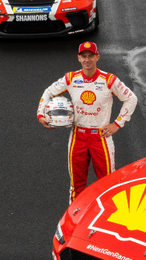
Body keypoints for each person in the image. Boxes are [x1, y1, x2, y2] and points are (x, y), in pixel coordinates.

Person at [38, 42, 138, 203]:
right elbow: (49, 92)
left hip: (101, 137)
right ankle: (74, 224)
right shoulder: (70, 78)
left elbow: (131, 98)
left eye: (90, 56)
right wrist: (40, 114)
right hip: (78, 136)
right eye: (84, 56)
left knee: (108, 185)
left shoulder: (109, 79)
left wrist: (117, 124)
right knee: (76, 186)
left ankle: (106, 223)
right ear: (79, 58)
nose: (87, 60)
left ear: (97, 57)